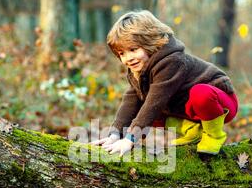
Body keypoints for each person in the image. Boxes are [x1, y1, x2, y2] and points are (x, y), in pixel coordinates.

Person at [91, 10, 238, 156]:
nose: (128, 58)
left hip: (220, 103)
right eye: (122, 53)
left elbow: (154, 102)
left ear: (149, 42)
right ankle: (192, 130)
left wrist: (130, 139)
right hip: (188, 110)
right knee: (143, 109)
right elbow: (131, 101)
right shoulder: (138, 67)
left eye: (133, 49)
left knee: (196, 95)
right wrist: (115, 135)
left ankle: (214, 135)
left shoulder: (172, 61)